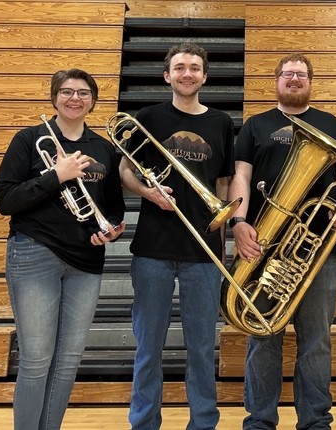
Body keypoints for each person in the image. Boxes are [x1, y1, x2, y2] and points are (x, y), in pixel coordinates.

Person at [229, 53, 336, 430]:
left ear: (310, 82)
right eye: (288, 74)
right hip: (264, 244)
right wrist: (239, 221)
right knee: (262, 334)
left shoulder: (329, 123)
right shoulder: (256, 124)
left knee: (316, 340)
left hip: (317, 248)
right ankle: (260, 420)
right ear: (276, 80)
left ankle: (316, 421)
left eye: (301, 75)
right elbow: (241, 175)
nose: (294, 79)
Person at [0, 68, 126, 429]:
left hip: (87, 262)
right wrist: (56, 176)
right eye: (67, 92)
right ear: (54, 97)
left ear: (93, 101)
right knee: (37, 358)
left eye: (83, 93)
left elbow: (114, 204)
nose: (75, 99)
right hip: (34, 253)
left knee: (68, 360)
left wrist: (111, 227)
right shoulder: (29, 139)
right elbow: (4, 199)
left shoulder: (102, 148)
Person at [119, 42, 235, 430]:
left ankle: (203, 422)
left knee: (202, 348)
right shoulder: (147, 117)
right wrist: (148, 192)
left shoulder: (220, 122)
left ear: (205, 76)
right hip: (152, 248)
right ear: (167, 75)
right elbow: (124, 169)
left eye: (195, 68)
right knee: (148, 347)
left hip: (202, 251)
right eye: (180, 67)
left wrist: (221, 223)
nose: (188, 74)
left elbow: (222, 181)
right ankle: (144, 422)